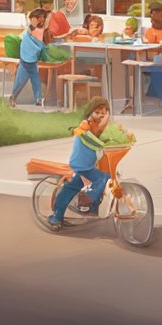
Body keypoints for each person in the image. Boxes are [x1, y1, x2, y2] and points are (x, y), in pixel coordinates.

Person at [46, 97, 112, 231]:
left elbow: (104, 136)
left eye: (103, 113)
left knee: (70, 188)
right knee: (103, 177)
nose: (100, 115)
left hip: (88, 164)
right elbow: (94, 136)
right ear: (91, 112)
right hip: (81, 164)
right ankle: (86, 201)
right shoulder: (85, 124)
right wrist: (105, 120)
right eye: (97, 112)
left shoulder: (98, 125)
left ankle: (57, 216)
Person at [9, 9, 48, 108]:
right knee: (20, 81)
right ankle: (13, 96)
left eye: (43, 17)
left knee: (36, 81)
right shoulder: (30, 30)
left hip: (33, 61)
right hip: (25, 60)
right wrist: (33, 22)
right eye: (39, 17)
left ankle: (38, 99)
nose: (41, 19)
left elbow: (41, 42)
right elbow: (31, 31)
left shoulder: (41, 31)